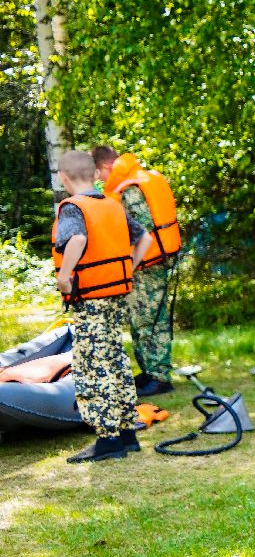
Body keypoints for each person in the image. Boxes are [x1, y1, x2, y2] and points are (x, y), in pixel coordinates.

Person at [53, 149, 155, 463]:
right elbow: (145, 239)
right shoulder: (111, 204)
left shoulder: (73, 208)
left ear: (63, 178)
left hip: (92, 300)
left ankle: (107, 439)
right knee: (116, 361)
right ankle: (127, 433)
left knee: (92, 366)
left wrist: (65, 277)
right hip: (116, 294)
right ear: (96, 176)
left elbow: (78, 240)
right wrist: (129, 267)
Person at [93, 146, 181, 396]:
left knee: (149, 321)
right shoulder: (137, 181)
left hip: (147, 265)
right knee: (142, 319)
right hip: (148, 263)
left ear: (107, 166)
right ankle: (149, 372)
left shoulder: (130, 188)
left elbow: (141, 232)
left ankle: (160, 377)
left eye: (100, 173)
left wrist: (128, 266)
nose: (100, 179)